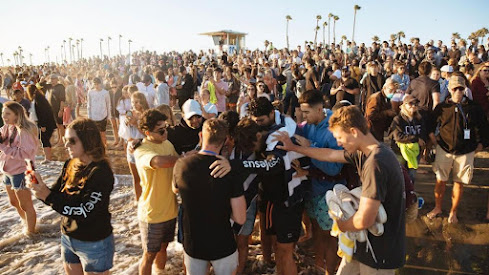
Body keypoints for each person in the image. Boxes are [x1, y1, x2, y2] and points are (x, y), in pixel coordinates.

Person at [273, 105, 406, 274]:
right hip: (362, 245)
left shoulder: (375, 163)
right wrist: (295, 148)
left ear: (354, 131)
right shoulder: (365, 152)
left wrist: (341, 225)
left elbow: (364, 220)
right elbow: (329, 155)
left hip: (379, 253)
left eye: (340, 137)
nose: (338, 143)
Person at [27, 118, 115, 275]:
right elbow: (55, 196)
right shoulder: (70, 163)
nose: (66, 145)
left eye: (71, 141)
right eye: (65, 140)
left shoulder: (101, 172)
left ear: (88, 141)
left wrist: (47, 196)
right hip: (68, 237)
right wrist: (39, 188)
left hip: (95, 241)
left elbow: (85, 211)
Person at [173, 118, 246, 275]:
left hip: (193, 242)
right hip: (222, 242)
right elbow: (240, 218)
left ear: (200, 136)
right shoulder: (229, 171)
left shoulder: (181, 165)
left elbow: (175, 189)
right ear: (225, 140)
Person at [248, 97, 307, 275]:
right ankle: (272, 265)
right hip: (274, 194)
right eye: (255, 121)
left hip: (285, 196)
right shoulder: (270, 129)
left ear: (271, 114)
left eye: (261, 120)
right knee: (279, 246)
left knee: (284, 249)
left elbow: (273, 165)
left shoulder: (285, 130)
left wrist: (240, 166)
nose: (258, 125)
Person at [426, 76, 489, 224]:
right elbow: (429, 125)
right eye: (455, 88)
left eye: (461, 88)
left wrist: (479, 147)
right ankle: (438, 207)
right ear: (449, 89)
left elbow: (483, 128)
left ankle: (453, 212)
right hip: (444, 149)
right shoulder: (442, 107)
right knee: (440, 181)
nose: (458, 91)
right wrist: (434, 141)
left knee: (459, 182)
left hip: (466, 151)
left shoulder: (474, 107)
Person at [297, 90, 344, 274]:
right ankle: (319, 267)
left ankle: (330, 271)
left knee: (331, 237)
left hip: (328, 193)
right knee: (317, 233)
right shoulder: (307, 125)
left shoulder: (333, 130)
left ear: (319, 109)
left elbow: (334, 169)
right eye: (302, 112)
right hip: (312, 190)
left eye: (307, 112)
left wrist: (310, 148)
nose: (304, 116)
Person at [134, 109, 179, 275]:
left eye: (166, 128)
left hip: (170, 210)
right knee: (149, 254)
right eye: (161, 130)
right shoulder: (141, 150)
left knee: (163, 249)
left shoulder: (168, 144)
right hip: (152, 213)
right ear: (147, 132)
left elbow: (176, 165)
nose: (165, 132)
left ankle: (160, 272)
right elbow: (160, 162)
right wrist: (184, 158)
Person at [1, 101, 39, 235]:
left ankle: (31, 233)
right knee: (13, 202)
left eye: (8, 114)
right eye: (3, 113)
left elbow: (25, 155)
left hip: (24, 170)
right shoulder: (8, 127)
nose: (4, 116)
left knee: (25, 204)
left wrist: (3, 147)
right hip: (8, 169)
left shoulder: (25, 131)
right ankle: (26, 223)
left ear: (17, 115)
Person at [389, 95, 427, 184]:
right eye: (410, 104)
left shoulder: (419, 119)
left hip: (414, 153)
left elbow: (424, 133)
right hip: (399, 152)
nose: (413, 106)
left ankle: (410, 194)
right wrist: (416, 139)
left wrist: (422, 142)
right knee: (399, 175)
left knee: (411, 176)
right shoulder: (398, 119)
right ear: (404, 105)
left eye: (415, 104)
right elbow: (398, 137)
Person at [25, 84, 57, 162]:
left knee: (45, 140)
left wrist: (43, 125)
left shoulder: (38, 98)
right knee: (43, 139)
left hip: (45, 124)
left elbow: (42, 112)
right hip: (43, 123)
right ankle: (46, 156)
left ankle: (48, 158)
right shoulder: (38, 97)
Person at [87, 78, 111, 146]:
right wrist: (89, 116)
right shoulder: (90, 92)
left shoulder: (105, 92)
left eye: (97, 84)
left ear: (100, 84)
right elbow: (89, 104)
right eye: (95, 84)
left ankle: (104, 146)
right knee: (94, 133)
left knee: (103, 133)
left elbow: (108, 104)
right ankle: (96, 147)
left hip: (103, 115)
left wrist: (108, 116)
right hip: (93, 116)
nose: (96, 85)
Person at [45, 74, 66, 146]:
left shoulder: (60, 87)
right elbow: (39, 86)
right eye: (51, 79)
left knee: (60, 125)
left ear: (57, 79)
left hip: (58, 108)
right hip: (52, 109)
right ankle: (59, 139)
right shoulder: (50, 87)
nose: (52, 80)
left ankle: (62, 140)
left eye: (53, 79)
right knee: (57, 125)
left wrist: (61, 110)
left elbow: (62, 100)